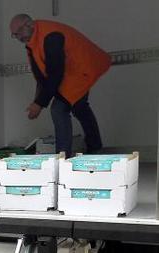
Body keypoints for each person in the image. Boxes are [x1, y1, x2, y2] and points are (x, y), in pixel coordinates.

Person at [9, 14, 111, 157]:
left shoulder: (51, 36)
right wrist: (37, 101)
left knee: (58, 109)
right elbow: (41, 76)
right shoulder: (32, 41)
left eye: (19, 32)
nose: (18, 37)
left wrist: (40, 103)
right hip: (71, 73)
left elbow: (55, 74)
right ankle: (95, 148)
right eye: (14, 35)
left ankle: (63, 158)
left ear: (29, 24)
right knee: (79, 106)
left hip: (82, 69)